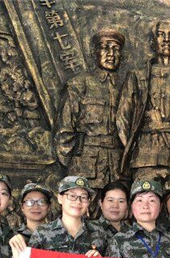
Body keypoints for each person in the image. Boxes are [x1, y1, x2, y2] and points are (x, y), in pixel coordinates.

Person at [54, 29, 126, 205]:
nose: (111, 54)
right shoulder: (78, 85)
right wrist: (73, 165)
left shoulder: (128, 87)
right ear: (95, 53)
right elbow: (64, 130)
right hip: (85, 164)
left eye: (116, 49)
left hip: (118, 167)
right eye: (105, 48)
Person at [116, 20, 170, 183]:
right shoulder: (137, 76)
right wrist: (132, 147)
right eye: (161, 35)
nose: (166, 40)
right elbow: (123, 117)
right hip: (144, 155)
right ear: (152, 42)